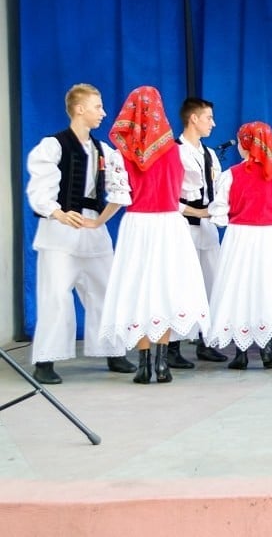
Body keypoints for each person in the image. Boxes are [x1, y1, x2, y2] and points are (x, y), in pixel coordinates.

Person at [25, 83, 136, 384]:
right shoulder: (53, 145)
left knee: (105, 290)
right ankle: (46, 360)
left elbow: (120, 191)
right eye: (98, 107)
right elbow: (39, 189)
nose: (103, 113)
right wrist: (57, 212)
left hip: (93, 232)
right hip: (59, 232)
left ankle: (114, 351)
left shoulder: (104, 151)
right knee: (55, 295)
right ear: (79, 109)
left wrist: (100, 220)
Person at [99, 85, 210, 384]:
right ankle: (162, 365)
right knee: (164, 289)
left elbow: (119, 197)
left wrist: (98, 221)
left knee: (138, 290)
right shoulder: (177, 151)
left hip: (138, 224)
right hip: (170, 226)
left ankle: (143, 365)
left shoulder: (120, 154)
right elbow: (188, 192)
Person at [204, 121, 272, 368]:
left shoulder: (231, 176)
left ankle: (240, 352)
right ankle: (266, 349)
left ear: (245, 144)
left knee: (239, 289)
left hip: (240, 237)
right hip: (270, 238)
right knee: (268, 289)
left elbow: (219, 213)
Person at [168, 97, 229, 367]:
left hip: (207, 226)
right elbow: (169, 195)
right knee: (180, 285)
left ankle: (208, 340)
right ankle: (171, 346)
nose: (212, 123)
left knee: (211, 282)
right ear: (193, 118)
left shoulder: (209, 154)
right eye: (208, 118)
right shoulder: (174, 151)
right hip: (184, 224)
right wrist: (197, 212)